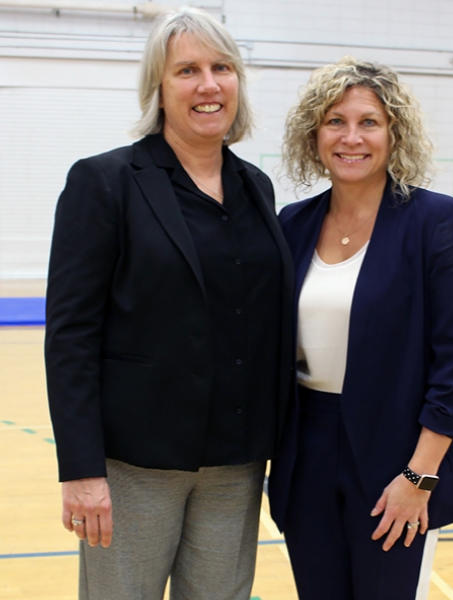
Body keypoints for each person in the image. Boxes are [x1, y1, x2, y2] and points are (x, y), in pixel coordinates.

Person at [44, 7, 294, 600]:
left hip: (234, 464)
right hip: (135, 465)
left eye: (221, 68)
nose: (208, 85)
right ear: (159, 87)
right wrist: (81, 470)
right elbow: (72, 334)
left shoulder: (256, 186)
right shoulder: (105, 182)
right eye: (187, 70)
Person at [268, 57, 453, 600]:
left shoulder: (436, 220)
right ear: (313, 134)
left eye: (369, 122)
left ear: (394, 133)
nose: (351, 137)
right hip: (307, 450)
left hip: (400, 455)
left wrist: (419, 479)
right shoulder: (292, 224)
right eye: (335, 121)